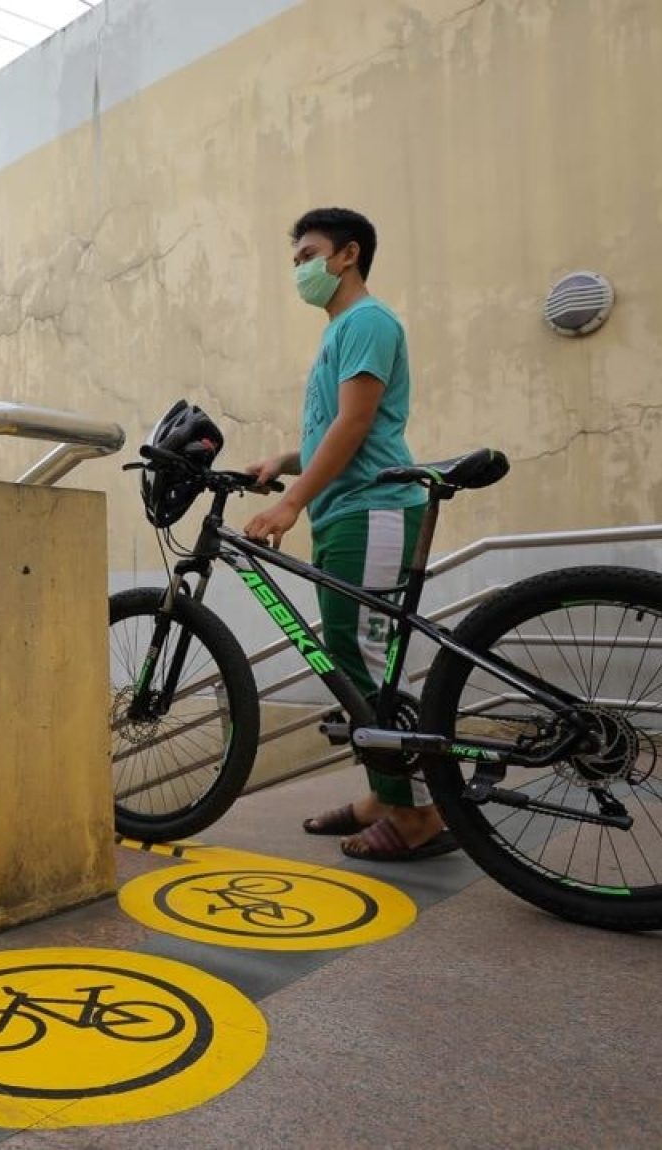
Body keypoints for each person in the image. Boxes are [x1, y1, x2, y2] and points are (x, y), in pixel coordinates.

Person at [243, 207, 457, 863]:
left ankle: (417, 816)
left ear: (348, 255)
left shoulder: (367, 321)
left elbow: (357, 424)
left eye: (308, 254)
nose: (300, 270)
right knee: (355, 657)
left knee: (361, 659)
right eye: (296, 261)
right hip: (348, 512)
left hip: (373, 511)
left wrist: (290, 505)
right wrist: (284, 463)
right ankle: (384, 796)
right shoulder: (344, 330)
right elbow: (333, 433)